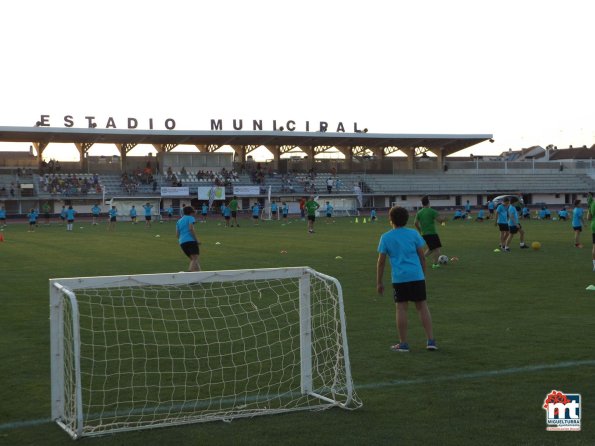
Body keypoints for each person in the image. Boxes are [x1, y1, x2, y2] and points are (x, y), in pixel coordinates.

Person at [376, 206, 437, 352]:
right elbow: (422, 257)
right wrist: (423, 275)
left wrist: (379, 282)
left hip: (400, 278)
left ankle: (403, 344)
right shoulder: (413, 234)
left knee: (401, 308)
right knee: (422, 306)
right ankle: (431, 341)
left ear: (390, 219)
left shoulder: (386, 237)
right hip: (416, 276)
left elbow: (381, 262)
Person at [414, 196, 445, 269]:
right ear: (428, 203)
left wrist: (420, 230)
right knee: (437, 249)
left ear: (422, 203)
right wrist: (443, 220)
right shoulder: (432, 211)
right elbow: (440, 221)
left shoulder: (419, 212)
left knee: (431, 248)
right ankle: (435, 264)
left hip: (424, 234)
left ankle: (420, 259)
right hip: (432, 233)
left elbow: (415, 223)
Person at [176, 205, 200, 272]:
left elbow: (177, 234)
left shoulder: (179, 221)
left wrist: (182, 240)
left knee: (194, 260)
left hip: (182, 242)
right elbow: (191, 229)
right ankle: (189, 274)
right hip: (191, 241)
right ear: (191, 212)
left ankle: (200, 277)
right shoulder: (190, 218)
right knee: (195, 258)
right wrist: (197, 240)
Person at [588, 193, 595, 270]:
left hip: (594, 225)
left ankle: (594, 265)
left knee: (594, 246)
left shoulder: (592, 204)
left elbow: (588, 218)